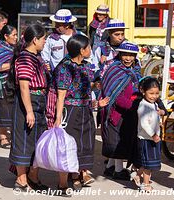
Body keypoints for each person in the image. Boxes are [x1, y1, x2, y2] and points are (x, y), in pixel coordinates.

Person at [52, 34, 96, 194]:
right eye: (89, 47)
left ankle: (79, 174)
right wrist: (58, 118)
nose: (91, 50)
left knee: (85, 141)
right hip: (70, 112)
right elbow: (61, 95)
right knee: (69, 144)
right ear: (81, 50)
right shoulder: (65, 68)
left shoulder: (86, 66)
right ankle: (64, 182)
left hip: (86, 110)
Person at [8, 24, 49, 192]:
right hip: (28, 103)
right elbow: (24, 87)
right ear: (35, 40)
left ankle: (33, 176)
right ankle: (21, 179)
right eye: (43, 39)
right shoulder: (24, 58)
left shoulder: (37, 57)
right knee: (24, 140)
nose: (45, 42)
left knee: (38, 141)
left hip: (39, 101)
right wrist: (29, 111)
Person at [101, 42, 141, 180]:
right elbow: (115, 96)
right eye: (125, 55)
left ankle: (109, 167)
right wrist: (134, 106)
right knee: (117, 141)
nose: (128, 58)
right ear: (119, 55)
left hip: (128, 112)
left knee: (121, 139)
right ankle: (118, 171)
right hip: (116, 112)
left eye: (131, 55)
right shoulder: (114, 70)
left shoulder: (135, 70)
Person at [0, 25, 18, 149]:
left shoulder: (15, 48)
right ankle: (3, 137)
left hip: (14, 83)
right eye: (14, 35)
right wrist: (14, 63)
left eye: (17, 35)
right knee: (2, 109)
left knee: (14, 109)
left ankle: (14, 135)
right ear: (6, 36)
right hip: (2, 84)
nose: (16, 37)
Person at [135, 77, 162, 192]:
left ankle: (137, 175)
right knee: (148, 165)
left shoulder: (154, 104)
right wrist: (153, 135)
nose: (154, 96)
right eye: (151, 93)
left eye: (156, 93)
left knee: (148, 161)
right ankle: (145, 185)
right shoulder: (143, 106)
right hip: (146, 139)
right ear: (143, 91)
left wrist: (160, 115)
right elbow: (144, 123)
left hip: (153, 138)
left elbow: (154, 116)